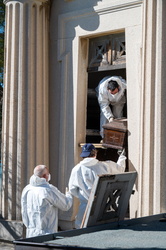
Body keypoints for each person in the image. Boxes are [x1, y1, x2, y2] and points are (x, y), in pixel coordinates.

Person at [68, 143, 126, 229]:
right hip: (103, 208)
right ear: (95, 153)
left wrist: (83, 196)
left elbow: (72, 189)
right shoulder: (105, 166)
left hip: (85, 207)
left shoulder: (76, 169)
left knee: (81, 231)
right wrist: (122, 157)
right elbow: (120, 169)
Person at [21, 165, 72, 238]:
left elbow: (24, 210)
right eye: (48, 174)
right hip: (47, 233)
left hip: (31, 233)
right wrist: (69, 194)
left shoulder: (27, 189)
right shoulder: (48, 190)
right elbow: (66, 205)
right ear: (45, 176)